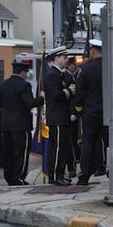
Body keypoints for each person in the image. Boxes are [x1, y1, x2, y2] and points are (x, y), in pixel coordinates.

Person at [0, 61, 44, 185]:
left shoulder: (3, 85)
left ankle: (9, 177)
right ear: (22, 72)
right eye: (26, 72)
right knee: (21, 152)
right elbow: (29, 103)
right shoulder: (24, 85)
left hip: (6, 124)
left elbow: (0, 104)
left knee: (9, 152)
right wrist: (42, 98)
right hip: (20, 125)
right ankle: (18, 177)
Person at [75, 40, 105, 186]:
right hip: (110, 112)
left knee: (88, 143)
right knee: (112, 144)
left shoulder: (85, 69)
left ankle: (84, 176)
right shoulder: (111, 66)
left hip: (91, 112)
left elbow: (79, 92)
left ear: (93, 51)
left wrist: (79, 109)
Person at [43, 46, 74, 186]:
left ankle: (60, 174)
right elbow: (57, 95)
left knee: (63, 148)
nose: (66, 60)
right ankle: (55, 176)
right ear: (56, 58)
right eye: (63, 57)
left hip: (62, 116)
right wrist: (69, 91)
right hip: (56, 117)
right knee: (57, 148)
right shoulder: (52, 75)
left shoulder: (59, 74)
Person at [63, 56, 80, 178]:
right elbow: (71, 98)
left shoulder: (72, 77)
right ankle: (71, 167)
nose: (75, 67)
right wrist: (73, 112)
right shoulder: (66, 77)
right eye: (74, 64)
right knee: (70, 142)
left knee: (72, 141)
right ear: (69, 65)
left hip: (70, 114)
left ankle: (72, 165)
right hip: (68, 113)